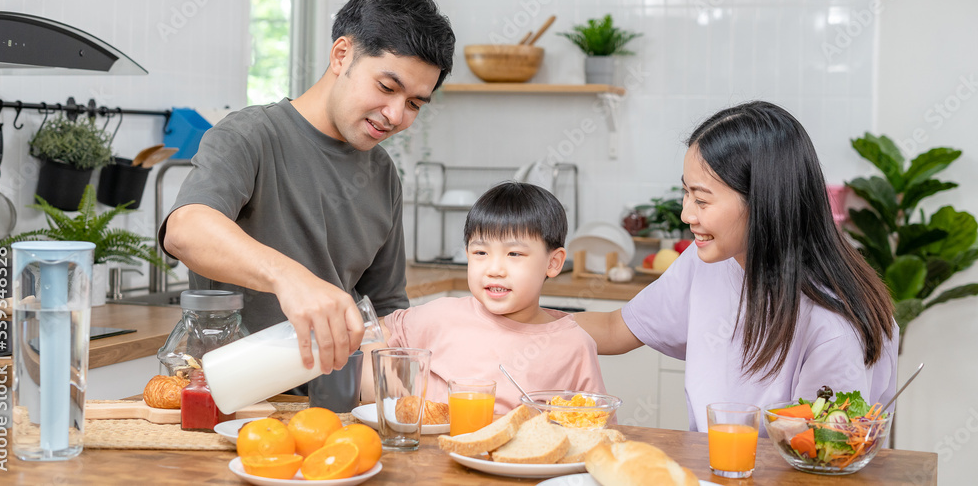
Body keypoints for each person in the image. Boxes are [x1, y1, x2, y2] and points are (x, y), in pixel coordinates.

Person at [161, 0, 456, 376]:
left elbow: (386, 308)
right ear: (341, 55)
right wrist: (289, 278)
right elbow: (186, 230)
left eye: (414, 104)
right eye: (387, 87)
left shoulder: (383, 173)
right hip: (232, 397)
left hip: (337, 408)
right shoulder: (251, 136)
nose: (395, 115)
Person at [575, 101, 898, 432]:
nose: (687, 215)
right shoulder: (708, 260)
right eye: (686, 194)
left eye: (701, 200)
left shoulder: (833, 327)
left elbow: (816, 457)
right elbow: (618, 328)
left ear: (761, 202)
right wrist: (526, 325)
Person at [363, 181, 606, 414]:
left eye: (514, 253)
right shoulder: (441, 316)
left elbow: (595, 428)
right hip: (432, 456)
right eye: (480, 252)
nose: (494, 269)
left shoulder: (574, 345)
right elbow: (373, 330)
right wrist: (383, 382)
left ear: (553, 263)